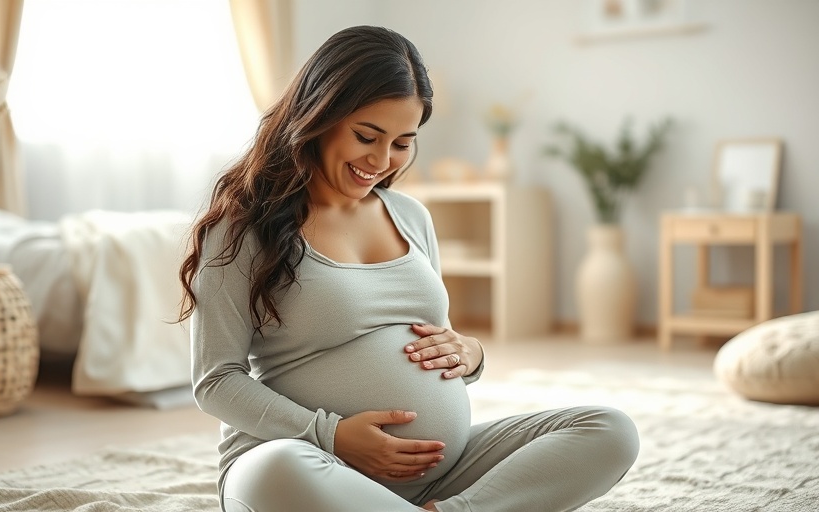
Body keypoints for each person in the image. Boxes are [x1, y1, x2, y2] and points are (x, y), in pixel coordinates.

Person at [178, 25, 639, 512]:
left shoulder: (410, 216)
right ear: (318, 116)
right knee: (277, 474)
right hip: (308, 461)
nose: (381, 160)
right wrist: (331, 436)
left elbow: (438, 339)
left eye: (402, 142)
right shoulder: (243, 226)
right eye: (366, 136)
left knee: (608, 429)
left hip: (440, 477)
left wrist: (471, 354)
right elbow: (216, 380)